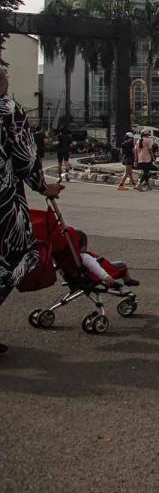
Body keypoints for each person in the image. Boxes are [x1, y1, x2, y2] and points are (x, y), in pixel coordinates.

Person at [0, 65, 65, 354]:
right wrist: (43, 187)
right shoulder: (8, 110)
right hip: (4, 202)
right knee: (20, 256)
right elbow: (25, 159)